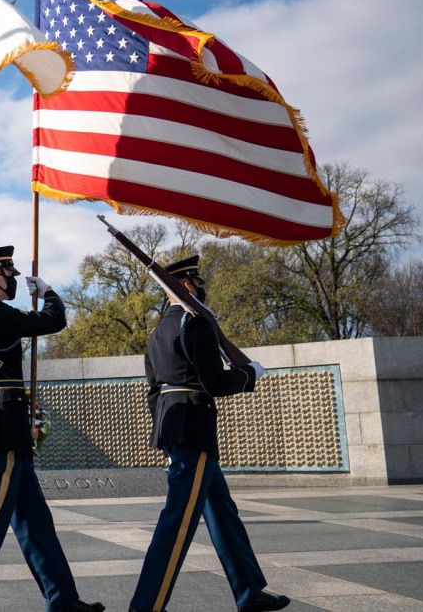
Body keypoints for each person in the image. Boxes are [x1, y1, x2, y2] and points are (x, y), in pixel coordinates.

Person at [0, 246, 104, 612]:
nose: (12, 280)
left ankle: (62, 600)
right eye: (9, 274)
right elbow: (51, 321)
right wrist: (48, 293)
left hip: (0, 419)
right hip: (5, 425)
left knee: (34, 523)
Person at [129, 255, 289, 612]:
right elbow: (214, 383)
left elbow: (153, 392)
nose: (202, 289)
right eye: (198, 283)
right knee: (177, 522)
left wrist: (166, 440)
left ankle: (249, 591)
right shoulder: (195, 324)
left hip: (176, 429)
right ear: (186, 285)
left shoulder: (158, 331)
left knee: (223, 514)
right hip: (195, 427)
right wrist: (250, 375)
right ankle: (146, 605)